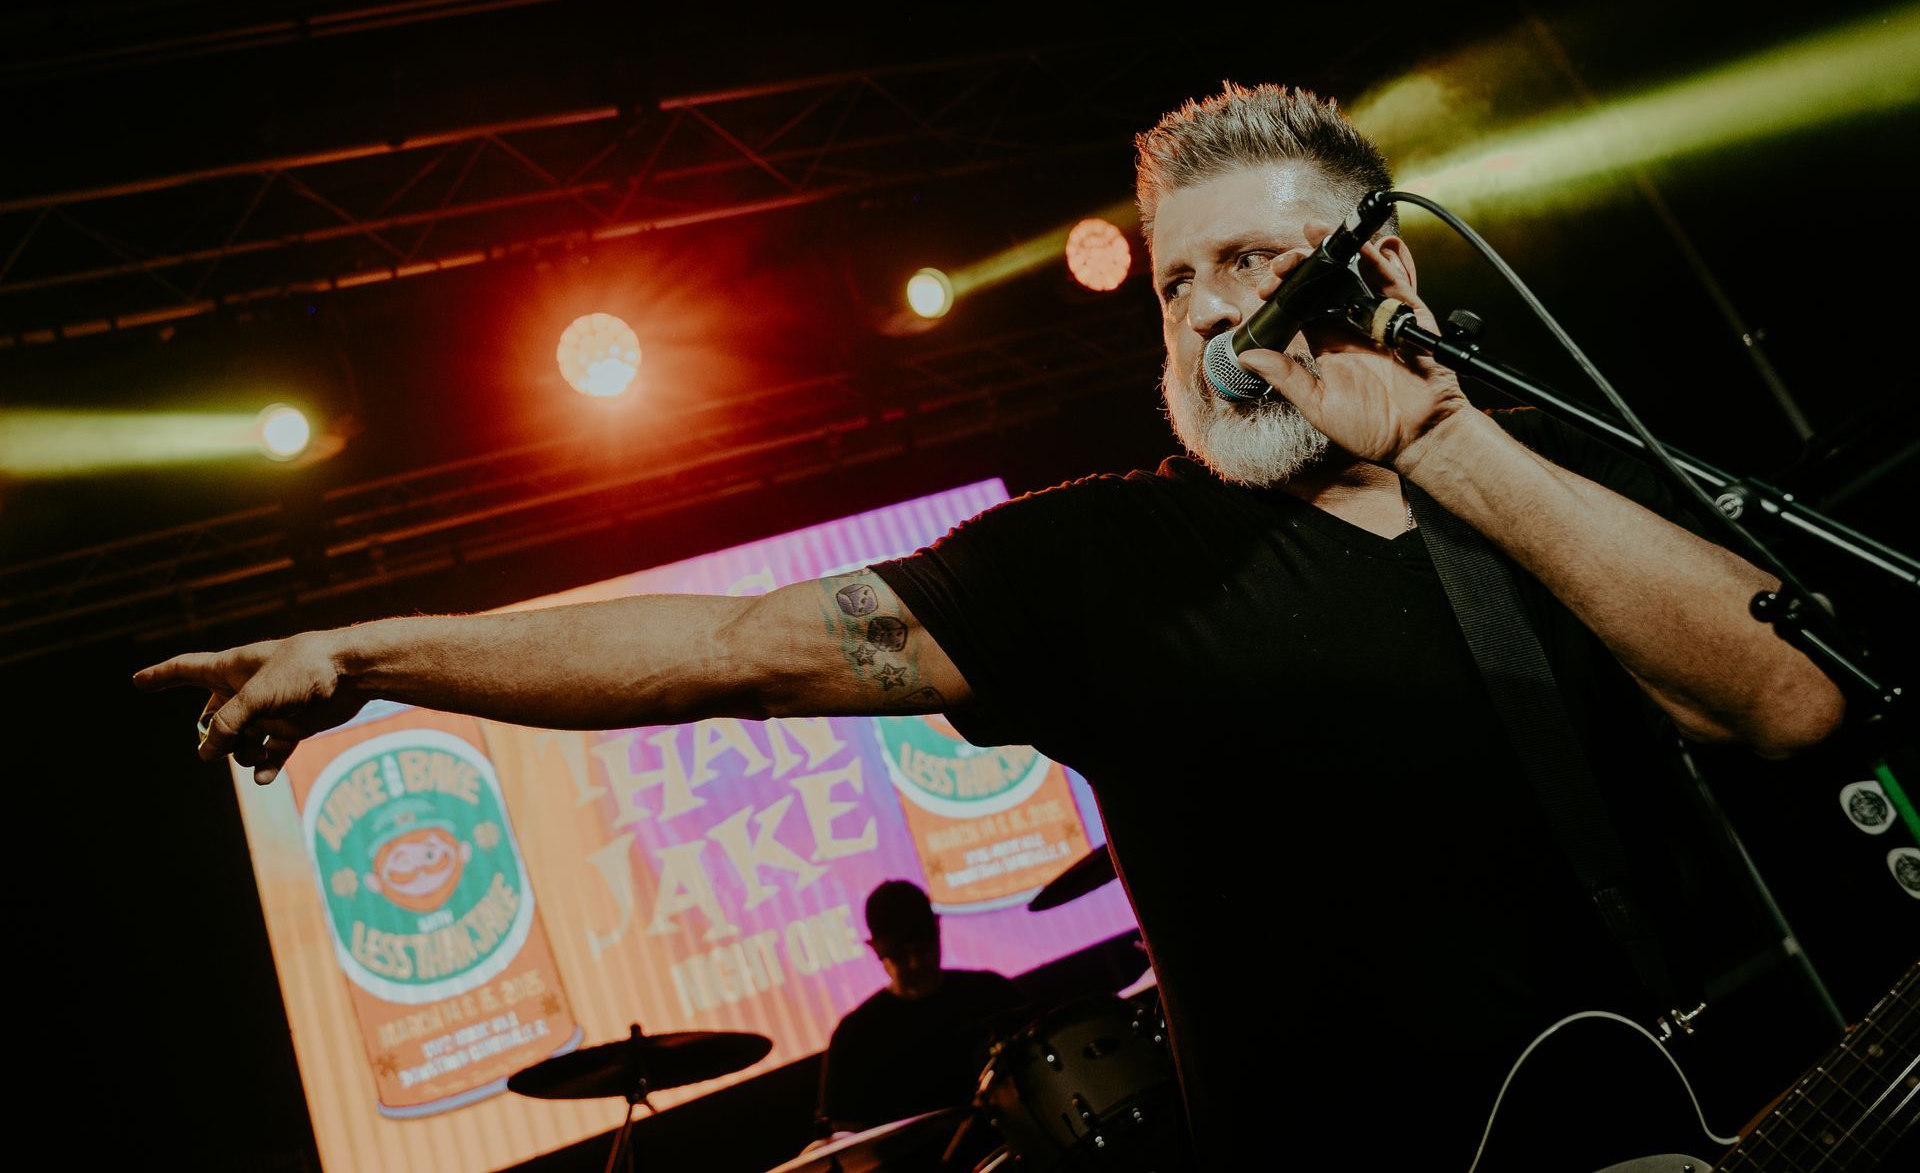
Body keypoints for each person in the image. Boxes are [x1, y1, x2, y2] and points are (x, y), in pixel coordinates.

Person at [137, 84, 1843, 1165]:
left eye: (1254, 264)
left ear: (1383, 274)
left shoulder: (1547, 494)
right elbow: (728, 648)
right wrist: (372, 655)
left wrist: (1442, 439)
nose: (1209, 314)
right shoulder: (1098, 562)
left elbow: (1788, 699)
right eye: (1176, 283)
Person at [814, 880, 1027, 1136]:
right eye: (901, 956)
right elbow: (846, 1136)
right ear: (875, 951)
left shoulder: (992, 994)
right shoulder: (854, 1036)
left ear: (938, 929)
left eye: (923, 949)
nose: (915, 963)